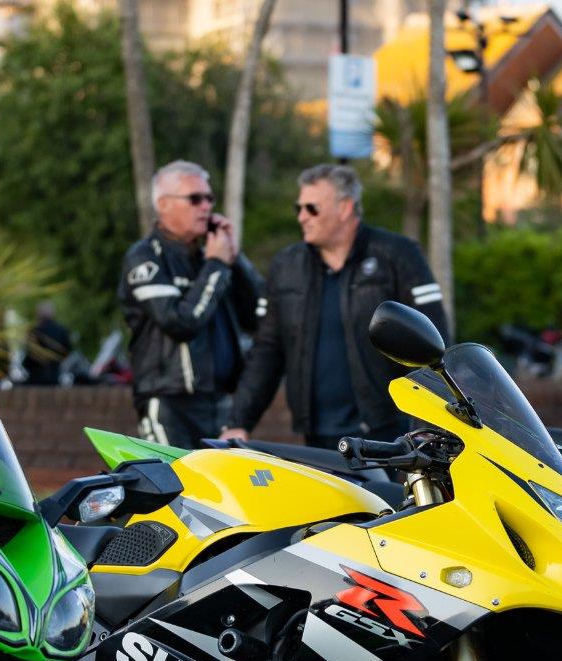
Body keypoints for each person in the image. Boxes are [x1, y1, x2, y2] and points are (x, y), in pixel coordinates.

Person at [221, 164, 449, 449]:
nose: (302, 217)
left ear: (344, 208)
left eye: (311, 208)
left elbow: (433, 344)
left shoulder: (398, 255)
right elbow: (267, 350)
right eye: (299, 208)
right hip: (317, 438)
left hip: (387, 434)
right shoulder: (287, 266)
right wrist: (238, 422)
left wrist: (430, 425)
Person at [117, 160, 264, 448]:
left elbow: (259, 316)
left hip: (222, 402)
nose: (206, 206)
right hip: (169, 402)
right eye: (195, 198)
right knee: (176, 489)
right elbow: (180, 322)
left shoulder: (212, 255)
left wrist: (235, 258)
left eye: (209, 198)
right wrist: (217, 264)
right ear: (163, 204)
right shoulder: (145, 257)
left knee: (222, 492)